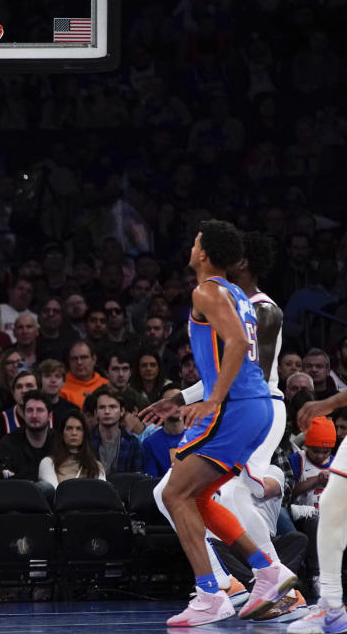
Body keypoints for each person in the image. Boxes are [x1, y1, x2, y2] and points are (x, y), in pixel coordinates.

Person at [138, 221, 293, 626]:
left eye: (194, 242)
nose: (191, 247)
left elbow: (239, 344)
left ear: (203, 254)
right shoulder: (238, 293)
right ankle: (268, 571)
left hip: (236, 406)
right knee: (198, 497)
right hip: (254, 405)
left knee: (173, 494)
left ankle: (211, 593)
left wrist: (213, 399)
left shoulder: (206, 290)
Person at [287, 390, 347, 634]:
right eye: (316, 449)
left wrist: (327, 404)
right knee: (328, 506)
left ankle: (332, 605)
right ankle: (330, 600)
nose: (321, 455)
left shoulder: (333, 457)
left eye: (324, 451)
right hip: (301, 512)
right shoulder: (298, 460)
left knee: (331, 505)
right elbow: (288, 491)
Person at [38, 410, 105, 488]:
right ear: (62, 433)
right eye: (69, 428)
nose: (74, 433)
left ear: (84, 434)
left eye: (79, 429)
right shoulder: (48, 463)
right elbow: (56, 493)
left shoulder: (96, 466)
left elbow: (102, 493)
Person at [88, 387, 144, 475]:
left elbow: (138, 477)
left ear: (122, 411)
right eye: (102, 407)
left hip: (124, 488)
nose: (107, 411)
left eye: (112, 407)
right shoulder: (86, 441)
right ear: (96, 413)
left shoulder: (133, 443)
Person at [59, 340, 109, 408]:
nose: (79, 362)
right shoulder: (60, 387)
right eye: (74, 358)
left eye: (84, 357)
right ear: (69, 361)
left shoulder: (107, 385)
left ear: (94, 359)